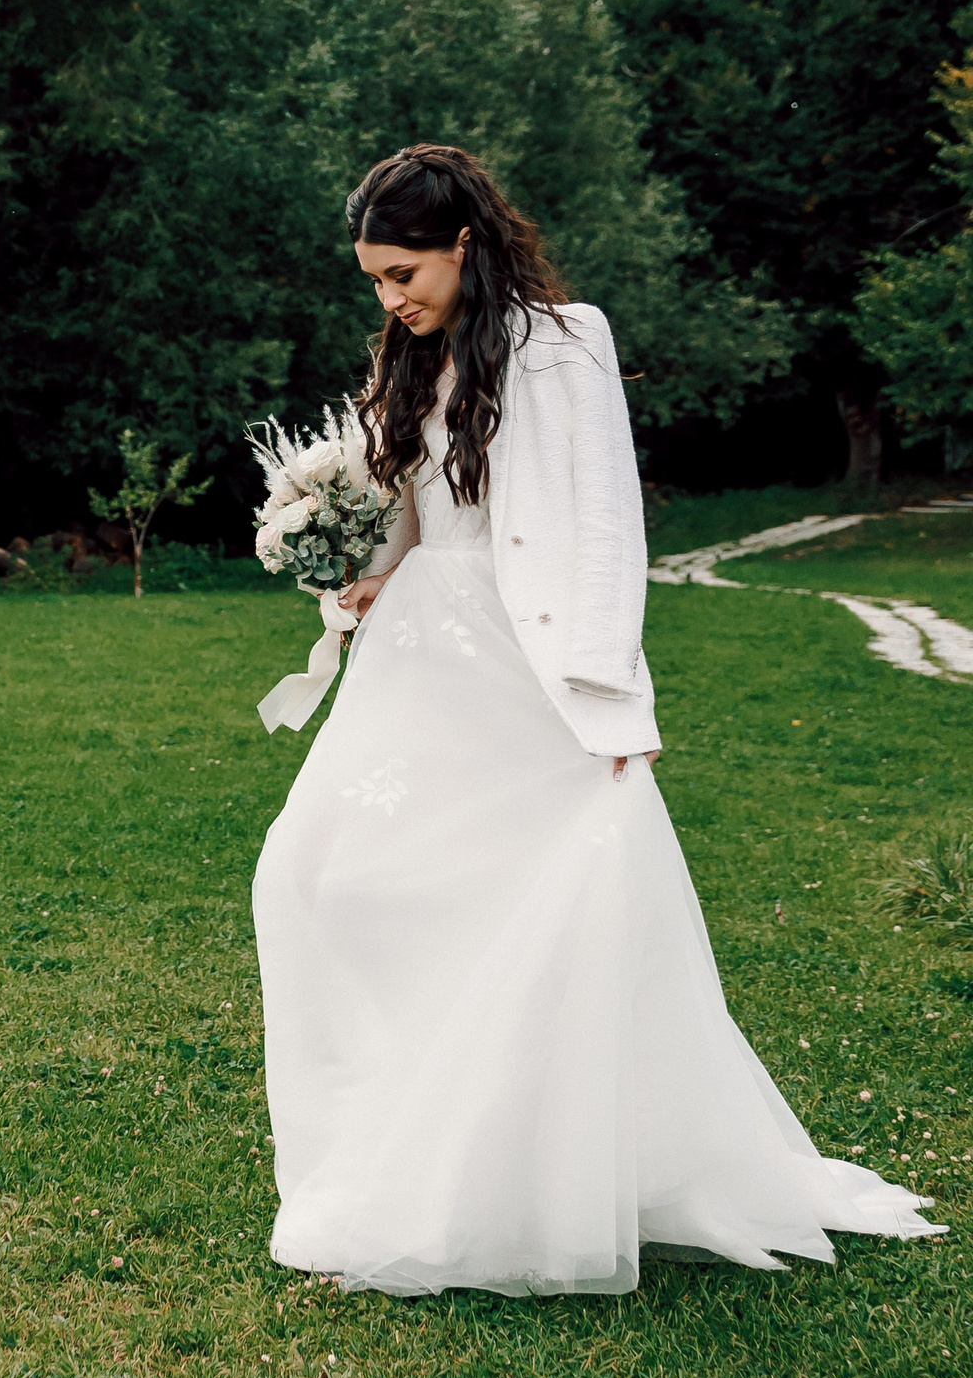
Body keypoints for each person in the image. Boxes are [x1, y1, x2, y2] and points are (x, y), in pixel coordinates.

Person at [248, 144, 944, 1296]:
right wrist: (353, 567)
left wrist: (613, 694)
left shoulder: (566, 346)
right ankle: (401, 1139)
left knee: (532, 907)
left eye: (403, 271)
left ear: (465, 242)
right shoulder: (407, 361)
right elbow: (416, 515)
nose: (390, 298)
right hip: (418, 657)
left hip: (525, 672)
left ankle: (506, 1180)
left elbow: (599, 528)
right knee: (311, 875)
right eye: (374, 279)